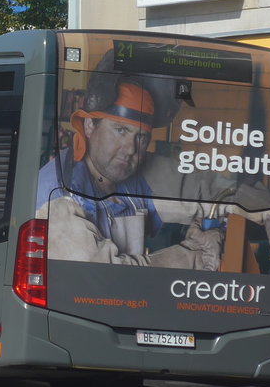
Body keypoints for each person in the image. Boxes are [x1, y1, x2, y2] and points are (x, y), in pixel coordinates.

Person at [37, 71, 222, 269]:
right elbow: (102, 274)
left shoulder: (128, 177)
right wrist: (195, 255)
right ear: (89, 125)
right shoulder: (59, 193)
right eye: (121, 130)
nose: (131, 149)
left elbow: (206, 192)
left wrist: (210, 220)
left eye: (141, 137)